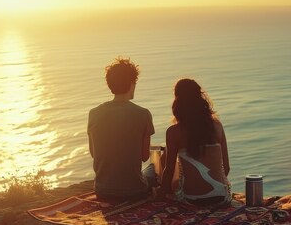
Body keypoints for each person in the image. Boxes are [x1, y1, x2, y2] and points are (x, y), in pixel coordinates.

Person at [156, 78, 232, 206]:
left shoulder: (174, 132)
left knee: (165, 158)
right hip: (221, 197)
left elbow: (168, 172)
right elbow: (227, 168)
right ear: (200, 99)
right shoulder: (217, 126)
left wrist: (160, 195)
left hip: (191, 199)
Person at [88, 57, 155, 201]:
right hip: (135, 190)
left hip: (102, 190)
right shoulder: (143, 114)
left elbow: (94, 153)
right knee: (152, 170)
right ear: (132, 83)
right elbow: (144, 157)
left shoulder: (94, 113)